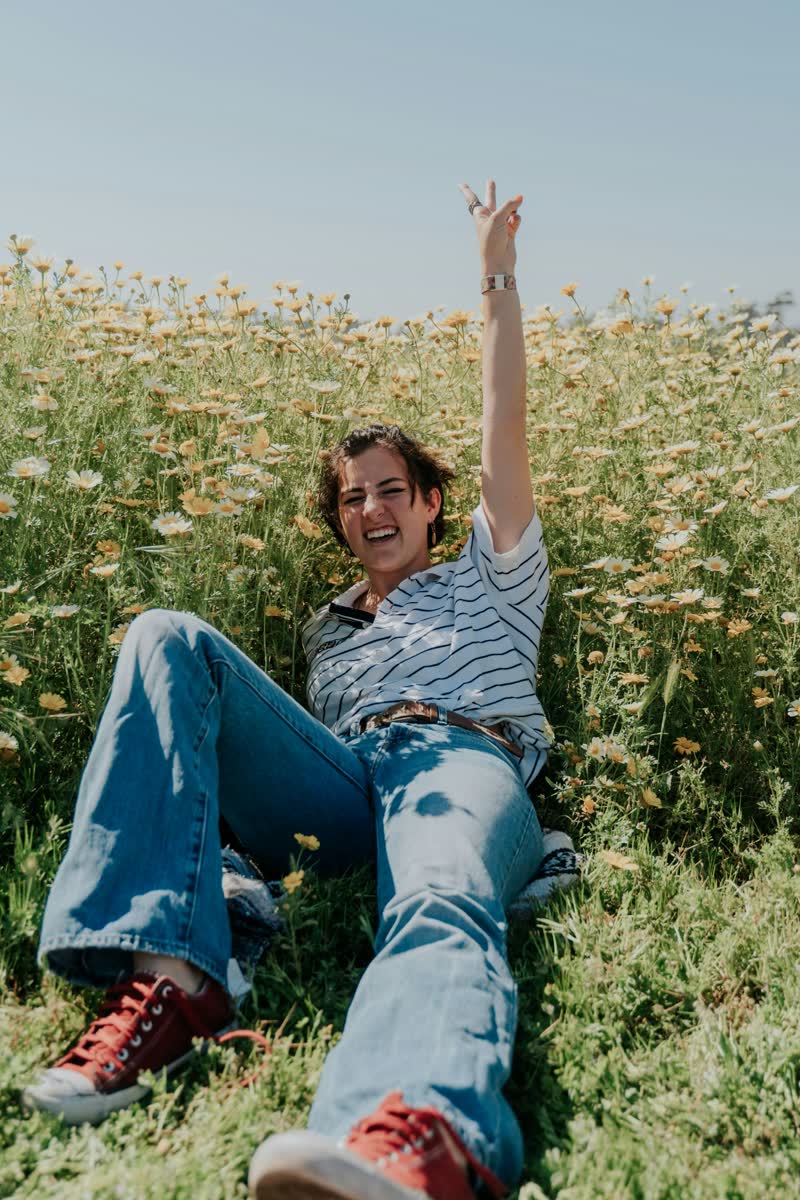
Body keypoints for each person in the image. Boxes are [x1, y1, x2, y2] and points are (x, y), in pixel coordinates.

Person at [23, 179, 551, 1200]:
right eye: (352, 499)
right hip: (346, 779)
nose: (371, 508)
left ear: (432, 503)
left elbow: (504, 419)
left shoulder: (491, 570)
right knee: (164, 636)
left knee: (437, 895)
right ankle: (173, 986)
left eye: (391, 489)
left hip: (460, 757)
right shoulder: (325, 624)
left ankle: (422, 1131)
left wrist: (496, 276)